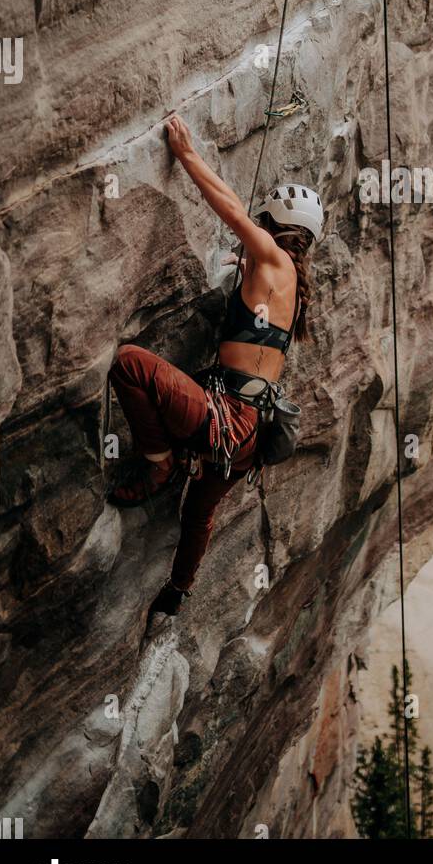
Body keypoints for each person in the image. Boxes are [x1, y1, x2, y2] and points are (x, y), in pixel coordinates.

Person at [108, 113, 322, 616]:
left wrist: (186, 154)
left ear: (273, 224)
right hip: (248, 437)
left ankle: (161, 464)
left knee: (129, 364)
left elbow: (227, 208)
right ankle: (178, 592)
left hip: (223, 420)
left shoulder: (270, 256)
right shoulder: (289, 282)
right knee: (199, 513)